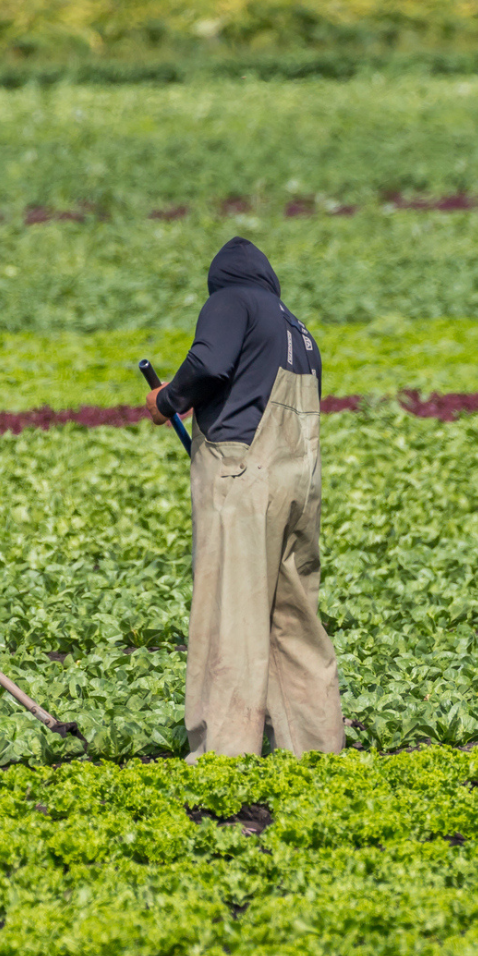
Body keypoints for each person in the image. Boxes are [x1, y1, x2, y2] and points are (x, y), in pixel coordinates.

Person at [145, 236, 344, 759]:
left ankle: (225, 755)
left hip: (243, 478)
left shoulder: (230, 301)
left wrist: (167, 399)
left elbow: (209, 364)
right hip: (299, 484)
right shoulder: (297, 330)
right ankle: (317, 746)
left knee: (229, 615)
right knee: (294, 619)